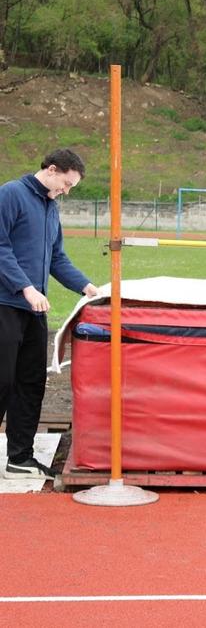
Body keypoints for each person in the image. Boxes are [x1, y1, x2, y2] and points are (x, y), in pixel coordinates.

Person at [1, 149, 98, 479]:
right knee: (2, 381)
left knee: (31, 382)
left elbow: (57, 258)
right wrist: (25, 287)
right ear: (53, 170)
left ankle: (20, 458)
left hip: (34, 312)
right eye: (67, 183)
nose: (67, 191)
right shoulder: (11, 194)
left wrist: (87, 288)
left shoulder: (51, 208)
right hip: (7, 305)